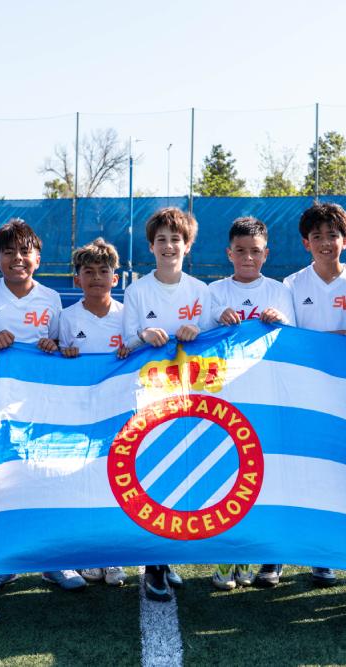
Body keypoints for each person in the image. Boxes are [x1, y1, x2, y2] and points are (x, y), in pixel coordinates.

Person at [0, 220, 79, 592]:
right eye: (8, 252)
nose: (17, 259)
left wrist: (52, 347)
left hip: (38, 413)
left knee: (45, 482)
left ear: (37, 258)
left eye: (24, 252)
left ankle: (52, 562)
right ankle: (0, 562)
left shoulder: (50, 299)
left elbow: (60, 347)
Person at [276, 202, 346, 589]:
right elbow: (288, 340)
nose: (324, 242)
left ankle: (325, 556)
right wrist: (323, 344)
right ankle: (279, 555)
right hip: (302, 393)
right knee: (294, 471)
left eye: (332, 235)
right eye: (316, 236)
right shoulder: (292, 285)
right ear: (306, 242)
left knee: (337, 476)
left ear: (345, 240)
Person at [121, 207, 211, 602]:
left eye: (176, 239)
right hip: (149, 399)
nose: (169, 246)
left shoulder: (202, 291)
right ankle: (153, 565)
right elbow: (125, 345)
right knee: (152, 478)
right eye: (162, 240)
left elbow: (215, 344)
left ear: (187, 246)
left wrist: (198, 331)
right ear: (150, 246)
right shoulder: (137, 291)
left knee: (180, 479)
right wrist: (144, 335)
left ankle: (166, 558)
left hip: (191, 398)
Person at [206, 216, 294, 591]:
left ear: (266, 254)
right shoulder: (212, 292)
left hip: (268, 397)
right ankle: (229, 558)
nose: (247, 257)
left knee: (269, 477)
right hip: (227, 400)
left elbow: (295, 342)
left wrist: (281, 322)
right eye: (240, 251)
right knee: (230, 479)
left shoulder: (279, 291)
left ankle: (269, 558)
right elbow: (197, 339)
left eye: (255, 251)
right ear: (229, 253)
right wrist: (215, 319)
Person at [58, 237, 128, 587]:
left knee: (118, 483)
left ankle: (115, 555)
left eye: (104, 271)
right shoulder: (66, 318)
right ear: (77, 279)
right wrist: (57, 350)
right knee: (84, 483)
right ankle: (89, 555)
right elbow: (50, 355)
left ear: (116, 279)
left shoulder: (128, 316)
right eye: (89, 272)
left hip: (121, 415)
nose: (97, 278)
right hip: (81, 415)